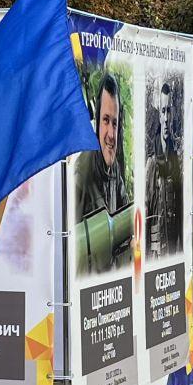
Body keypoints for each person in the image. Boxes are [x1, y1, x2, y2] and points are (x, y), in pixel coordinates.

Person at [74, 71, 133, 273]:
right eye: (106, 120)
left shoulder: (114, 171)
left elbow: (127, 218)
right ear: (97, 123)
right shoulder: (80, 175)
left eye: (115, 123)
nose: (111, 135)